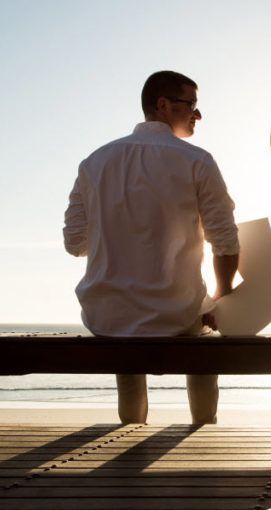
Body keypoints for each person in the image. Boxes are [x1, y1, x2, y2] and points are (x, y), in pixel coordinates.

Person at [63, 70, 240, 425]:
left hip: (107, 315)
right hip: (175, 312)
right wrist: (223, 294)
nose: (198, 114)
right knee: (202, 335)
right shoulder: (197, 160)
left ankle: (130, 433)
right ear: (163, 105)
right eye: (191, 104)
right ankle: (203, 433)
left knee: (126, 338)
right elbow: (225, 240)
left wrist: (116, 233)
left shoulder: (94, 163)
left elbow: (75, 244)